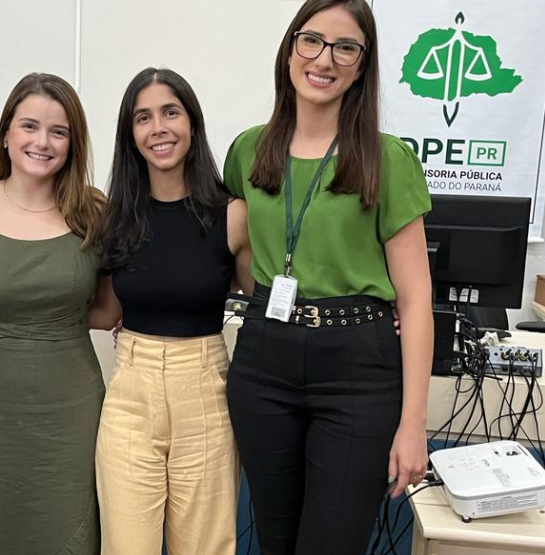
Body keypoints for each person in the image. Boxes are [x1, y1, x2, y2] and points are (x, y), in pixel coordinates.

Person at [223, 1, 434, 553]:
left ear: (363, 66)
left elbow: (415, 300)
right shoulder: (248, 149)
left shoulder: (387, 159)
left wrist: (413, 424)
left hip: (357, 369)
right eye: (312, 41)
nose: (325, 59)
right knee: (274, 538)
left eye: (346, 47)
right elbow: (237, 253)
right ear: (291, 48)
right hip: (265, 358)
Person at [0, 72, 116, 555]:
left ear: (73, 142)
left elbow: (105, 312)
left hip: (72, 408)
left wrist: (49, 323)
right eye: (29, 126)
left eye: (58, 131)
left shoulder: (93, 210)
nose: (42, 142)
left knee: (70, 530)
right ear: (6, 133)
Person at [94, 67, 253, 555]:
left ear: (192, 123)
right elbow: (103, 312)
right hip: (129, 398)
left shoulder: (232, 214)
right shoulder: (115, 218)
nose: (158, 128)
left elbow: (267, 304)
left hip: (205, 392)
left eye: (170, 112)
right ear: (131, 135)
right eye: (143, 117)